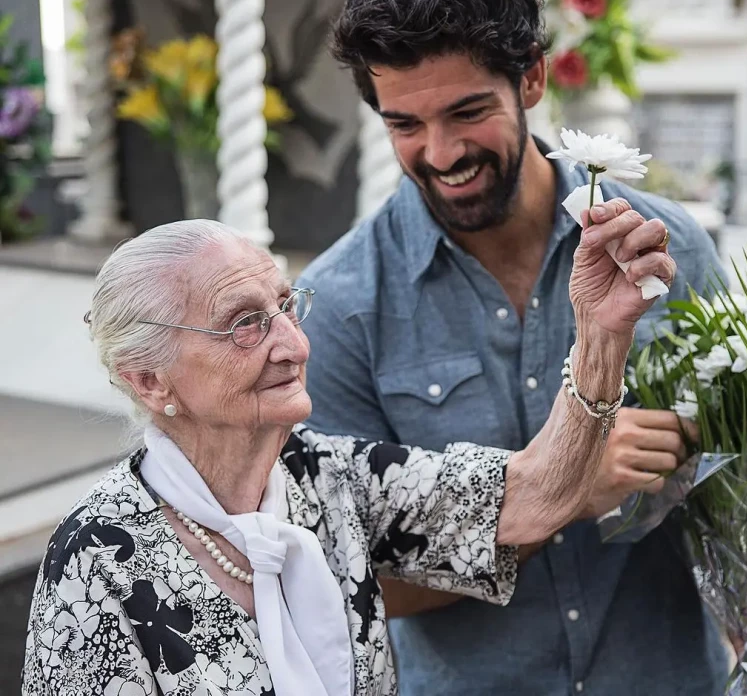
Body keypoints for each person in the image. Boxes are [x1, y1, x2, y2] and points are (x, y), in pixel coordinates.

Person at [296, 0, 729, 696]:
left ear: (530, 78)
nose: (440, 152)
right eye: (405, 124)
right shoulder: (340, 308)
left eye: (466, 112)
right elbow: (354, 587)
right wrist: (564, 490)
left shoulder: (667, 249)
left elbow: (746, 494)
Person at [23, 212, 667, 696]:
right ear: (149, 380)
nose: (293, 345)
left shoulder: (326, 476)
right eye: (244, 323)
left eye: (284, 307)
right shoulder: (98, 557)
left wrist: (600, 338)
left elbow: (531, 499)